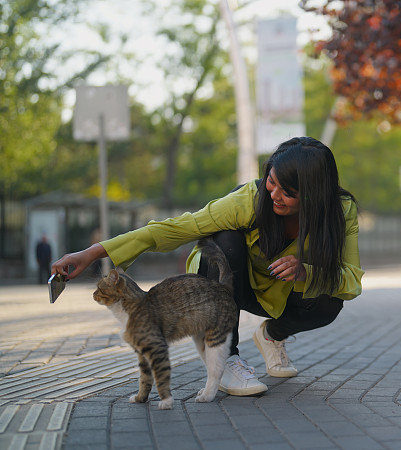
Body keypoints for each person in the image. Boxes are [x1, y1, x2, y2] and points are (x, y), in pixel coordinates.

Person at [51, 137, 363, 396]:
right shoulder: (250, 200)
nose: (274, 195)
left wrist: (307, 271)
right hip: (226, 281)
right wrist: (92, 253)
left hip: (280, 292)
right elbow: (176, 228)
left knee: (329, 301)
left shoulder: (340, 212)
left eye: (288, 193)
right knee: (226, 239)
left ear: (313, 195)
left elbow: (351, 280)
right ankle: (226, 359)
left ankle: (271, 336)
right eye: (271, 181)